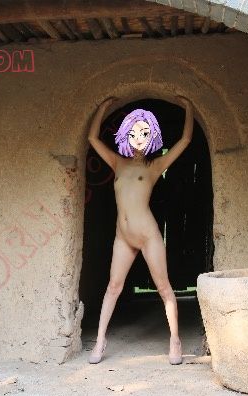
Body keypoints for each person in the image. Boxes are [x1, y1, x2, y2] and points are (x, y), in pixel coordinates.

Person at [86, 95, 194, 364]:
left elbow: (185, 140)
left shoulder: (155, 166)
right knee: (113, 286)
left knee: (164, 287)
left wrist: (190, 108)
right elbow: (92, 139)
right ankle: (99, 341)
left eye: (145, 134)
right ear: (125, 134)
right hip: (123, 237)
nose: (139, 139)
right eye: (133, 133)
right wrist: (102, 108)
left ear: (153, 136)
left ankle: (175, 340)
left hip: (148, 235)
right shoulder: (117, 163)